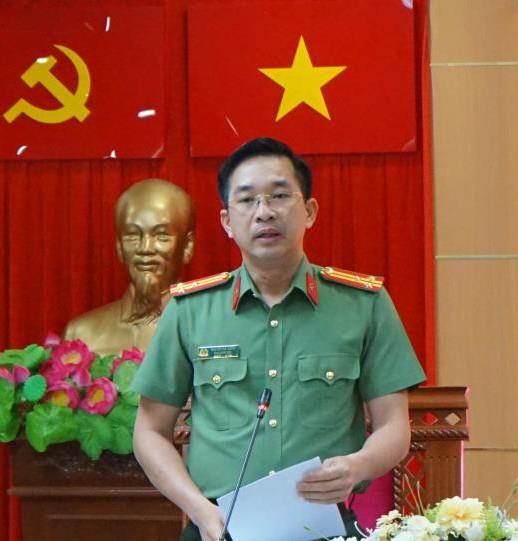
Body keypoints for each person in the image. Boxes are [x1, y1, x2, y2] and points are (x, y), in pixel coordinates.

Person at [132, 138, 426, 541]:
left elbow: (395, 425)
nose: (264, 212)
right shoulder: (189, 310)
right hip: (219, 527)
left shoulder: (363, 305)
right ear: (226, 221)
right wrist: (199, 510)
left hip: (325, 527)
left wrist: (357, 467)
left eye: (280, 196)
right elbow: (149, 431)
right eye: (247, 200)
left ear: (310, 211)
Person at [63, 178, 195, 355]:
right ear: (119, 246)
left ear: (187, 246)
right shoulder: (81, 335)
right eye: (132, 235)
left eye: (162, 236)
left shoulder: (212, 330)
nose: (145, 248)